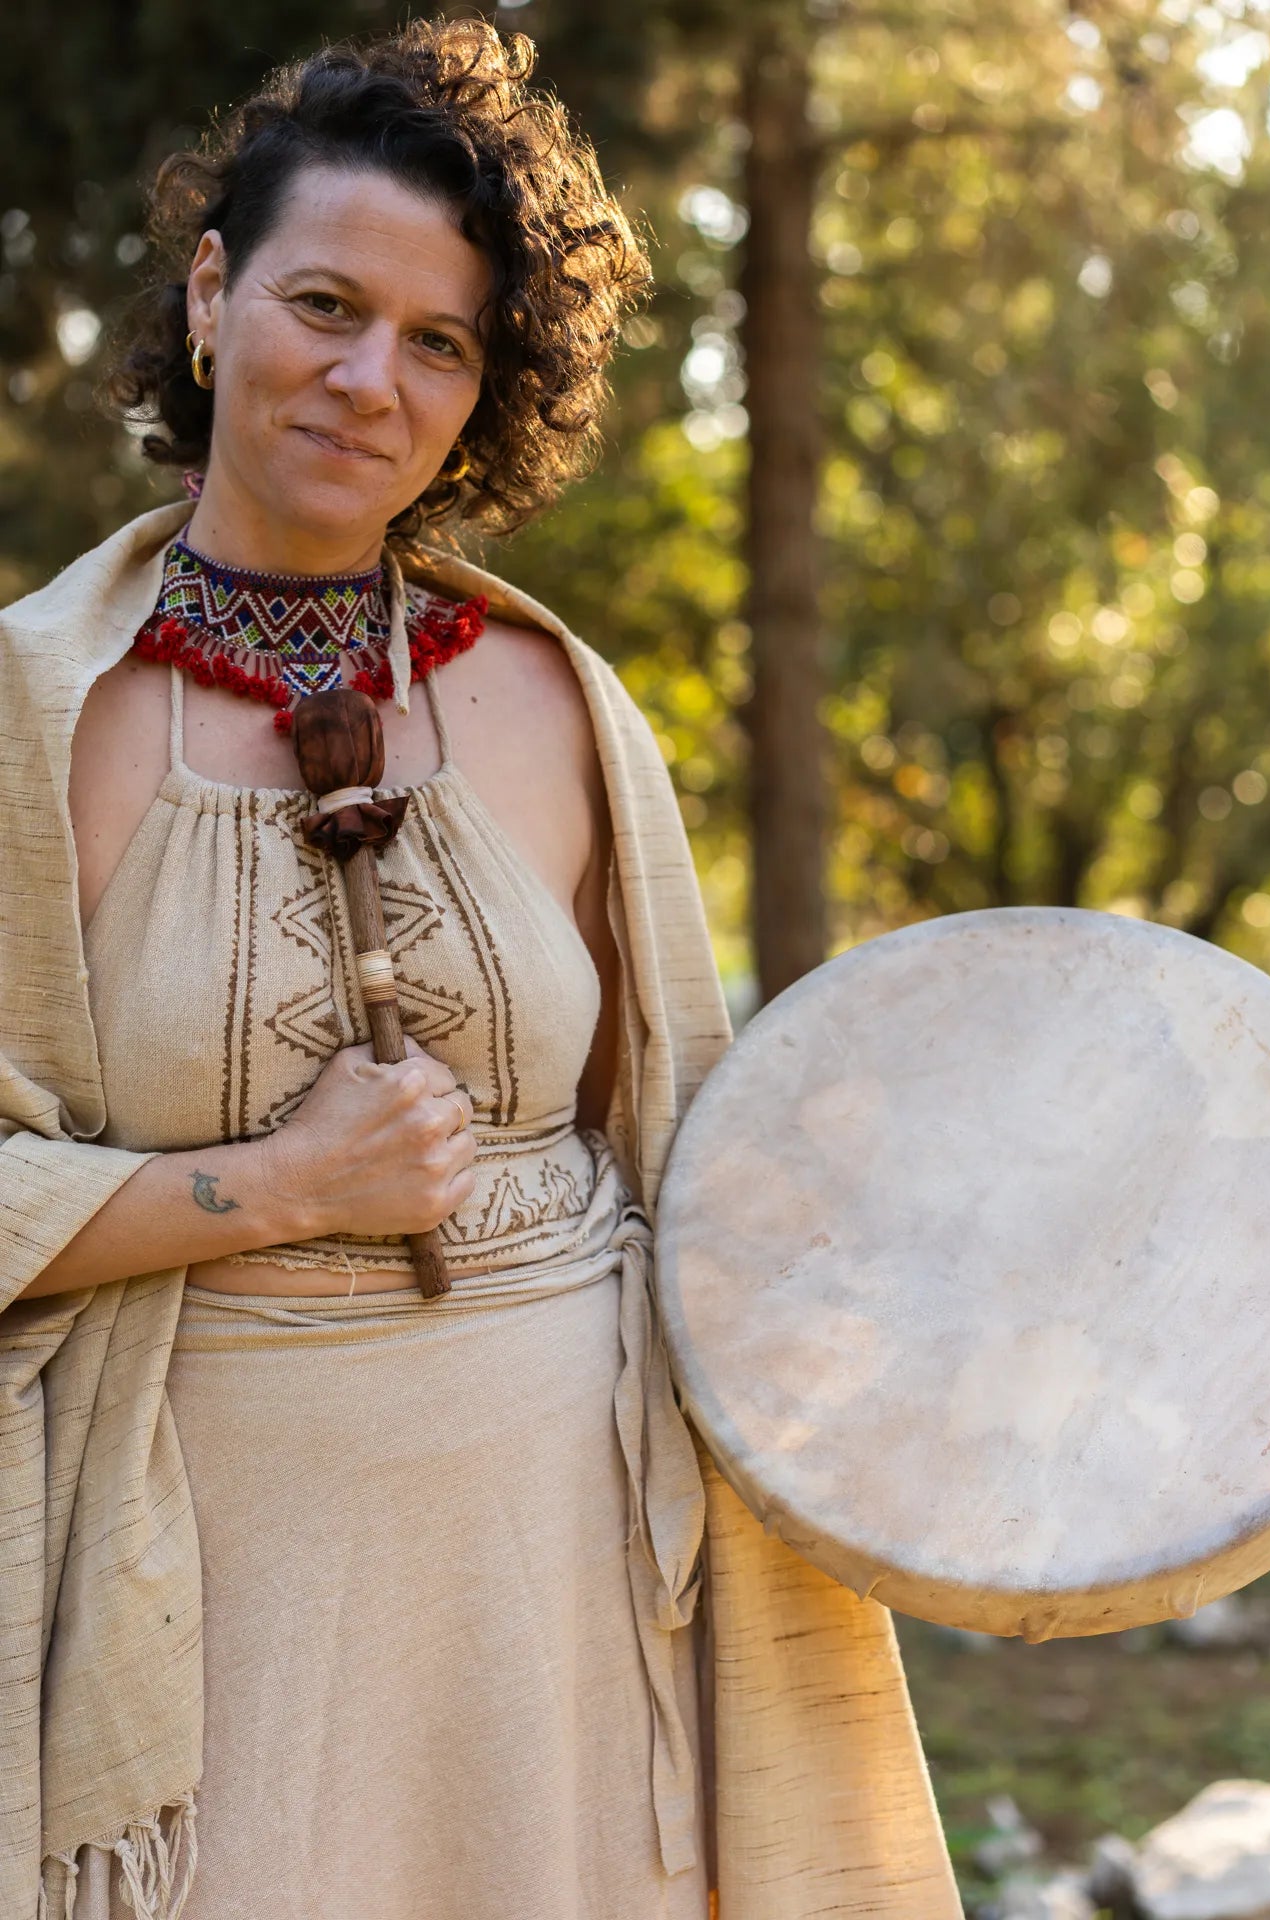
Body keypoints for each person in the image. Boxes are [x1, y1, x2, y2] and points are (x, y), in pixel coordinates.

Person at [0, 19, 961, 1920]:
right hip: (220, 1603)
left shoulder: (561, 707)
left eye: (438, 342)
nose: (371, 379)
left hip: (564, 1572)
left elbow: (700, 1164)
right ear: (212, 295)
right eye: (327, 304)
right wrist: (265, 1194)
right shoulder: (40, 724)